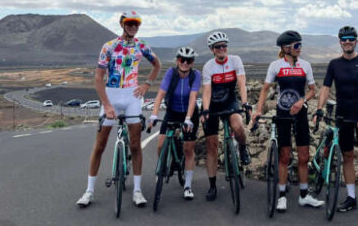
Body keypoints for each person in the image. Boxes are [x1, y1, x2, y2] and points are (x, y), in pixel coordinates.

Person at [77, 11, 161, 208]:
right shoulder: (109, 47)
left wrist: (147, 85)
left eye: (136, 23)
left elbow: (157, 65)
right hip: (112, 95)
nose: (133, 26)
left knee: (135, 144)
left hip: (132, 96)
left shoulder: (141, 46)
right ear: (122, 24)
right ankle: (88, 191)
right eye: (129, 23)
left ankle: (137, 191)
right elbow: (98, 78)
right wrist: (106, 105)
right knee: (100, 145)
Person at [253, 30, 324, 212]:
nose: (300, 49)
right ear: (286, 48)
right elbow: (265, 89)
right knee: (284, 156)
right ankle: (282, 195)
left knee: (303, 156)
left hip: (300, 113)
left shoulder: (305, 65)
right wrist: (258, 110)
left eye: (301, 45)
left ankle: (303, 195)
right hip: (283, 113)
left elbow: (312, 90)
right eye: (297, 46)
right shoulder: (276, 66)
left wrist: (302, 101)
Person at [314, 26, 358, 219]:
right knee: (348, 156)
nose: (348, 41)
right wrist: (319, 108)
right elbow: (325, 87)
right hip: (343, 117)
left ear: (356, 41)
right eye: (344, 39)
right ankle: (351, 197)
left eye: (351, 38)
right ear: (340, 42)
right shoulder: (334, 64)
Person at [200, 31, 252, 201]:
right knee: (212, 146)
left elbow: (242, 83)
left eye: (224, 46)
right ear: (212, 50)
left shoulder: (235, 61)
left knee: (237, 126)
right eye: (218, 47)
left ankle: (243, 148)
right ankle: (212, 185)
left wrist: (245, 103)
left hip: (230, 102)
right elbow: (207, 91)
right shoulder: (208, 66)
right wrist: (206, 110)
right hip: (213, 105)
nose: (222, 49)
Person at [150, 47, 201, 200]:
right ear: (177, 60)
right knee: (160, 144)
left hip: (189, 113)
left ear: (192, 63)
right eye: (181, 59)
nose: (185, 63)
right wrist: (154, 114)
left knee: (188, 149)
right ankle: (163, 166)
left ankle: (187, 186)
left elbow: (193, 97)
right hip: (172, 112)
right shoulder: (171, 73)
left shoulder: (195, 75)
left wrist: (188, 118)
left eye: (189, 60)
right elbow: (160, 94)